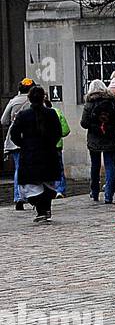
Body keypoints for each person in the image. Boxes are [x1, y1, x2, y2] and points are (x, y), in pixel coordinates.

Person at [10, 86, 62, 223]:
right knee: (46, 182)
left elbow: (14, 134)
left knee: (34, 183)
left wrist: (23, 144)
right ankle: (44, 209)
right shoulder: (51, 113)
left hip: (31, 154)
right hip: (48, 153)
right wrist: (50, 143)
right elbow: (58, 132)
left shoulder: (23, 115)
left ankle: (42, 210)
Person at [81, 77, 115, 203]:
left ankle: (94, 193)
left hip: (94, 139)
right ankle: (108, 195)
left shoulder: (89, 104)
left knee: (95, 167)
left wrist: (94, 125)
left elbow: (84, 123)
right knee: (110, 166)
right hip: (110, 137)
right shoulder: (111, 102)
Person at [3, 77, 37, 209]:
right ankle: (31, 195)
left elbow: (3, 120)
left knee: (18, 167)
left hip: (16, 139)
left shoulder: (14, 101)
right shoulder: (34, 101)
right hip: (31, 139)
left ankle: (18, 196)